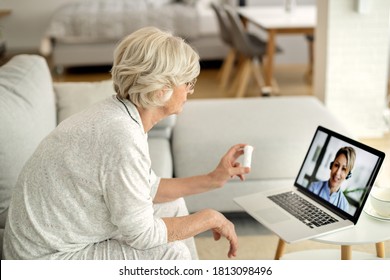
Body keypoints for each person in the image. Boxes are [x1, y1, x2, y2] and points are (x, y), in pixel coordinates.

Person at [3, 27, 251, 260]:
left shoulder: (119, 114)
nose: (190, 91)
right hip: (43, 259)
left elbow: (146, 188)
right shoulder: (121, 136)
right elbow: (142, 235)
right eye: (187, 83)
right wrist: (210, 218)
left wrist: (213, 179)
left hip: (53, 240)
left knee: (172, 206)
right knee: (172, 254)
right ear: (160, 91)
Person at [308, 146, 356, 212]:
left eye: (344, 169)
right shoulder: (314, 187)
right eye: (336, 165)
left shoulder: (344, 206)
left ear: (348, 175)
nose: (337, 173)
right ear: (331, 165)